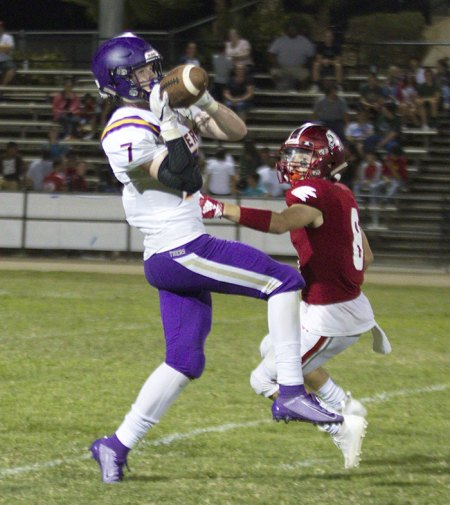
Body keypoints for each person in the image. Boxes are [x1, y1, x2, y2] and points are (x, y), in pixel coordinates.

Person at [89, 32, 341, 484]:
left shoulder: (164, 108)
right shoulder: (126, 127)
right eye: (143, 71)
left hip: (175, 252)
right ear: (120, 81)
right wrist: (169, 121)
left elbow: (236, 131)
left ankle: (115, 444)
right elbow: (181, 178)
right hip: (180, 248)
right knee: (282, 281)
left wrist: (200, 99)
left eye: (154, 66)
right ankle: (289, 390)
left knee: (185, 361)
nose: (153, 76)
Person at [200, 123, 392, 469]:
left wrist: (221, 209)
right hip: (337, 304)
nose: (293, 161)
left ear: (324, 159)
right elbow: (368, 255)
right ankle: (345, 403)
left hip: (332, 314)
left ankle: (340, 425)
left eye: (303, 155)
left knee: (263, 378)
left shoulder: (312, 193)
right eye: (291, 154)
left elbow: (280, 223)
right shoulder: (342, 193)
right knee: (270, 348)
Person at [268, 20, 316, 91]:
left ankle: (302, 93)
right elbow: (271, 53)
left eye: (294, 29)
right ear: (287, 30)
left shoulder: (305, 42)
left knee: (305, 76)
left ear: (298, 30)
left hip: (298, 67)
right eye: (290, 29)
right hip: (282, 66)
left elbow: (312, 56)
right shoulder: (280, 40)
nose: (292, 31)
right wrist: (275, 63)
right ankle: (279, 90)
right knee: (275, 73)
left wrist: (306, 64)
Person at [310, 28, 343, 92]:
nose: (328, 38)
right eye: (326, 36)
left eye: (329, 36)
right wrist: (323, 61)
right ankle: (315, 85)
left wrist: (329, 61)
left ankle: (339, 86)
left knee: (338, 65)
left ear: (332, 37)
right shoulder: (320, 45)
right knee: (315, 64)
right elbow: (318, 58)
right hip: (322, 65)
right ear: (324, 37)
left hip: (333, 64)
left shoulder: (336, 46)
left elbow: (339, 60)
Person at [0, 21, 16, 87]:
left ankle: (2, 87)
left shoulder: (8, 37)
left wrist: (5, 48)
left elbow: (9, 49)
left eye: (1, 26)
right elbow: (5, 48)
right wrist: (3, 47)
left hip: (6, 60)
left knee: (12, 69)